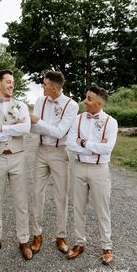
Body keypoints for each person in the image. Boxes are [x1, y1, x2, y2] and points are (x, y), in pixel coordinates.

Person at [0, 69, 33, 260]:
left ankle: (24, 241)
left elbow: (25, 129)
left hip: (18, 157)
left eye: (13, 82)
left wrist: (2, 128)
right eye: (8, 82)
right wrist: (12, 131)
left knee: (22, 201)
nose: (12, 85)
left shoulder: (22, 106)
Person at [66, 86, 118, 265]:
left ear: (99, 103)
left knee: (102, 209)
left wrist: (84, 142)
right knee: (78, 207)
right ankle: (79, 243)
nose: (85, 101)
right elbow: (70, 144)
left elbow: (107, 148)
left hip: (99, 170)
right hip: (79, 168)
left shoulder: (111, 122)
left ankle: (107, 246)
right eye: (86, 97)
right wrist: (94, 147)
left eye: (88, 99)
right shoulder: (78, 119)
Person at [30, 71, 79, 254]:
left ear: (55, 87)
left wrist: (40, 123)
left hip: (60, 153)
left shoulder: (71, 105)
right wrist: (43, 126)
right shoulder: (39, 101)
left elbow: (60, 133)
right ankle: (37, 234)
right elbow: (32, 128)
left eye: (44, 84)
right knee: (37, 193)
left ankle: (61, 236)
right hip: (41, 150)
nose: (42, 87)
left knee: (61, 196)